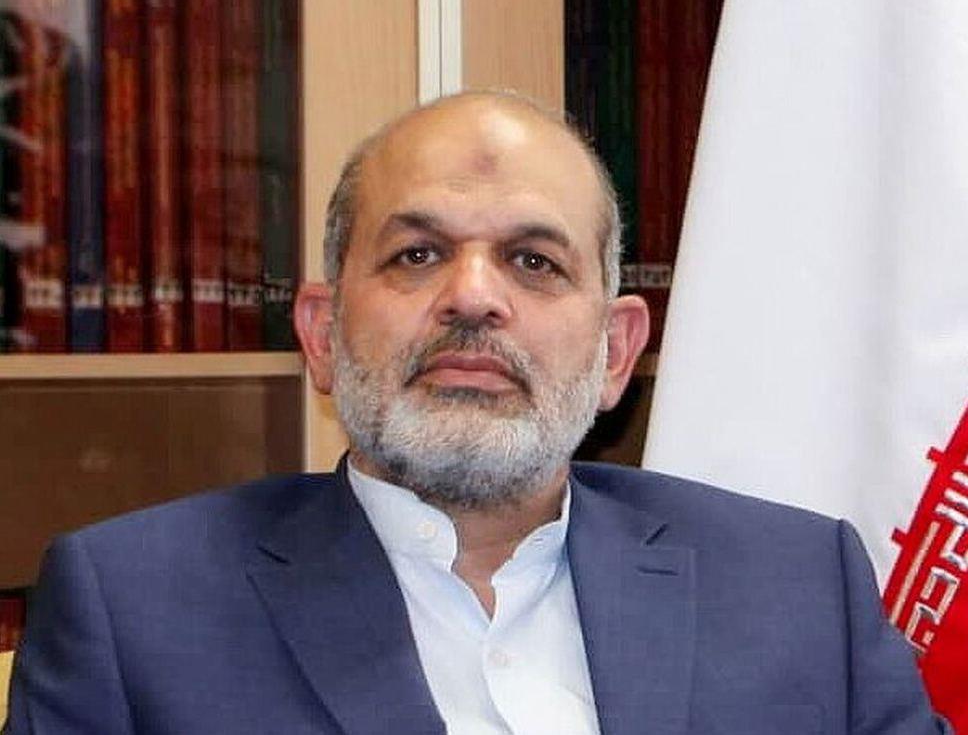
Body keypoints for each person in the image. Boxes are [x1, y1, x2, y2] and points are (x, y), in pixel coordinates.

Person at [4, 92, 949, 735]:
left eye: (534, 261)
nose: (473, 297)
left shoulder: (798, 586)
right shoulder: (131, 609)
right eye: (416, 254)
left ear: (617, 351)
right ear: (323, 334)